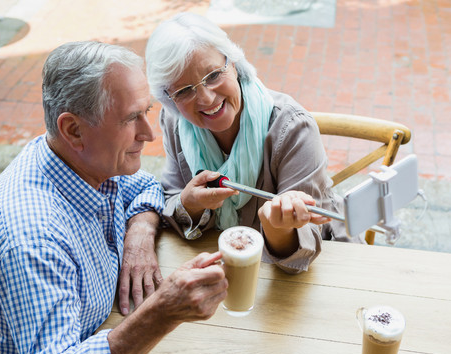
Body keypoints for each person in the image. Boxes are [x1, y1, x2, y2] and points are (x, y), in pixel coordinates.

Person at [0, 41, 227, 354]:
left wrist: (140, 233)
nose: (149, 134)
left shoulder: (88, 157)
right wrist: (162, 313)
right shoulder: (29, 239)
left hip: (104, 325)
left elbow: (146, 187)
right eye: (131, 119)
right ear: (73, 129)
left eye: (146, 112)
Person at [145, 13, 363, 275]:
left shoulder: (294, 128)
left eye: (213, 75)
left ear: (234, 63)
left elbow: (303, 248)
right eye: (184, 90)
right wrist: (189, 204)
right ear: (169, 99)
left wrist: (279, 228)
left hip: (325, 269)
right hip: (228, 271)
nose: (205, 98)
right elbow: (171, 197)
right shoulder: (175, 122)